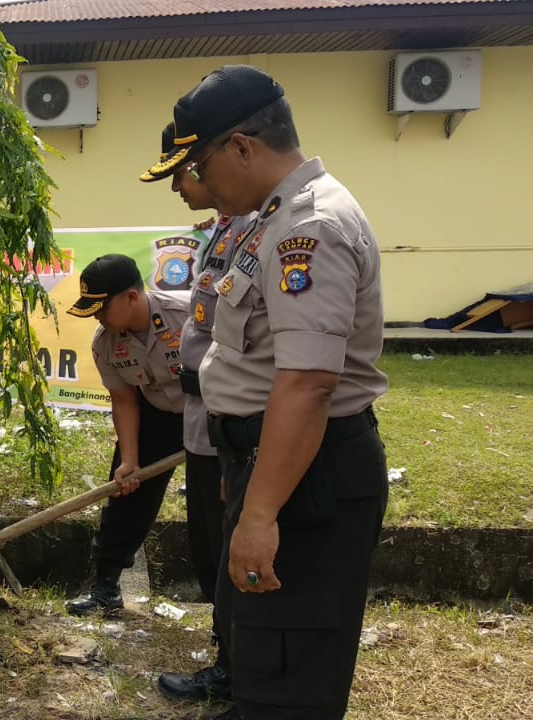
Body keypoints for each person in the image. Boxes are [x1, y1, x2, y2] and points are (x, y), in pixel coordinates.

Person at [150, 65, 389, 719]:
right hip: (274, 465)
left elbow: (309, 384)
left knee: (290, 671)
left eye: (201, 163)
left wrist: (260, 514)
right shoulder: (270, 218)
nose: (200, 183)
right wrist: (246, 471)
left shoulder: (309, 228)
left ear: (242, 148)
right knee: (261, 651)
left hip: (310, 476)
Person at [139, 121, 257, 702]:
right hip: (204, 424)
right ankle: (228, 657)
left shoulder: (257, 230)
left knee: (231, 547)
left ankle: (241, 671)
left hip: (232, 423)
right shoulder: (219, 233)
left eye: (182, 173)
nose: (178, 187)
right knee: (209, 548)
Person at [64, 254, 188, 616]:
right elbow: (124, 401)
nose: (98, 318)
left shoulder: (191, 315)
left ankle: (228, 606)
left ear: (131, 297)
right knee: (125, 494)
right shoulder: (105, 343)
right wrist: (131, 460)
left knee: (220, 505)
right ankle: (105, 588)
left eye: (101, 309)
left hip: (211, 412)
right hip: (154, 414)